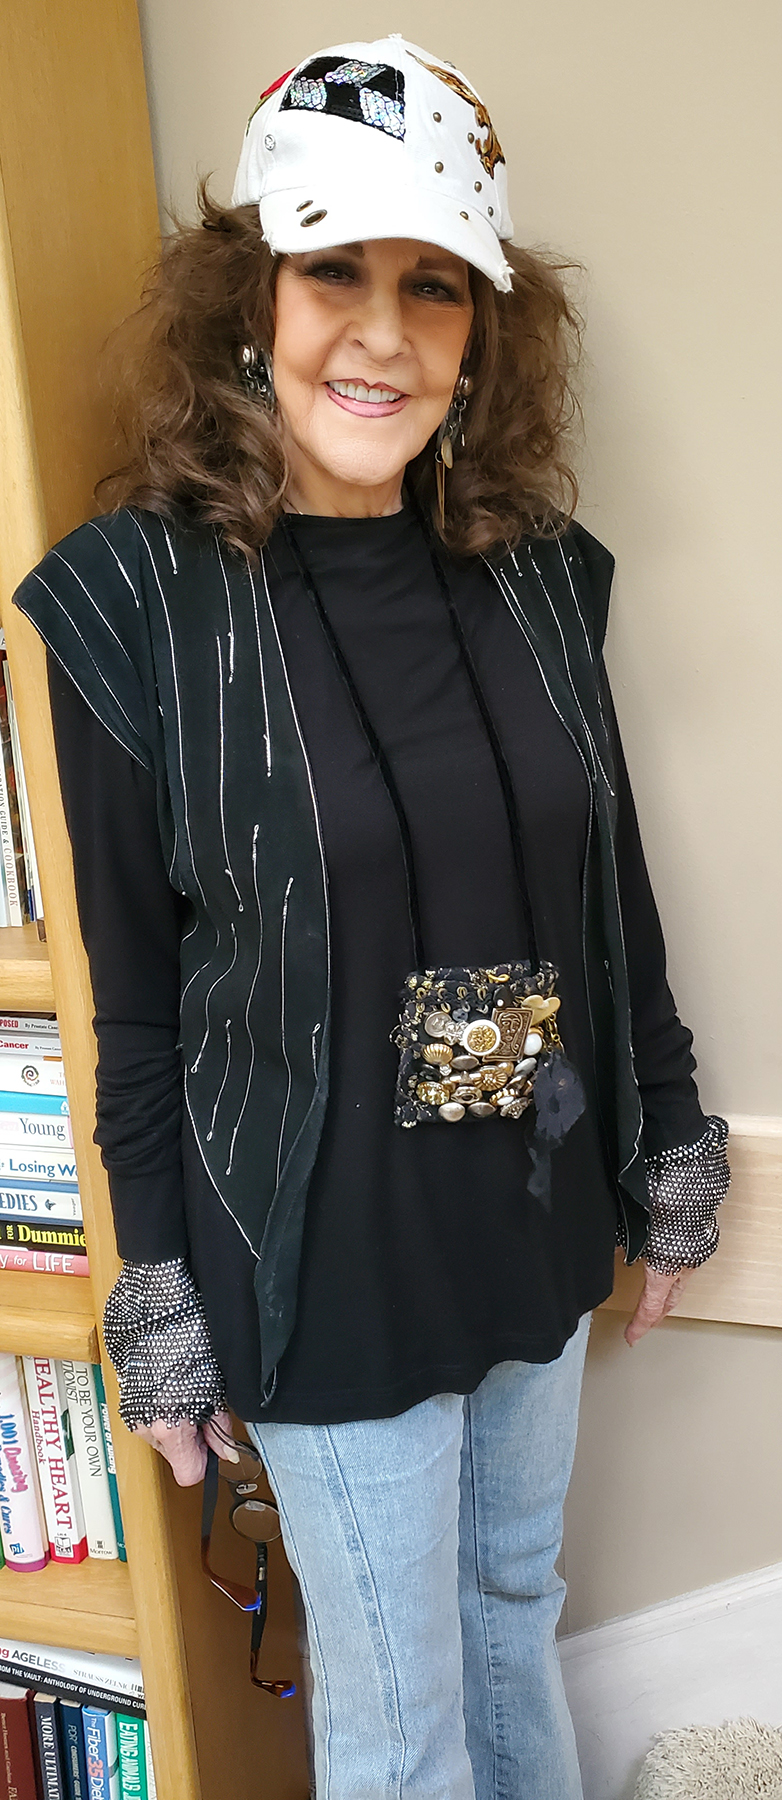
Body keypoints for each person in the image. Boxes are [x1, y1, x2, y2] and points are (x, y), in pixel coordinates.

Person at [14, 35, 730, 1799]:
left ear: (484, 332)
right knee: (399, 1718)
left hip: (530, 1207)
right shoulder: (132, 603)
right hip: (315, 1249)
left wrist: (672, 1132)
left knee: (511, 1610)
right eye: (334, 269)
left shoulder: (539, 574)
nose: (385, 334)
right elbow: (136, 994)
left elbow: (609, 886)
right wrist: (154, 1287)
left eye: (434, 286)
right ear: (248, 300)